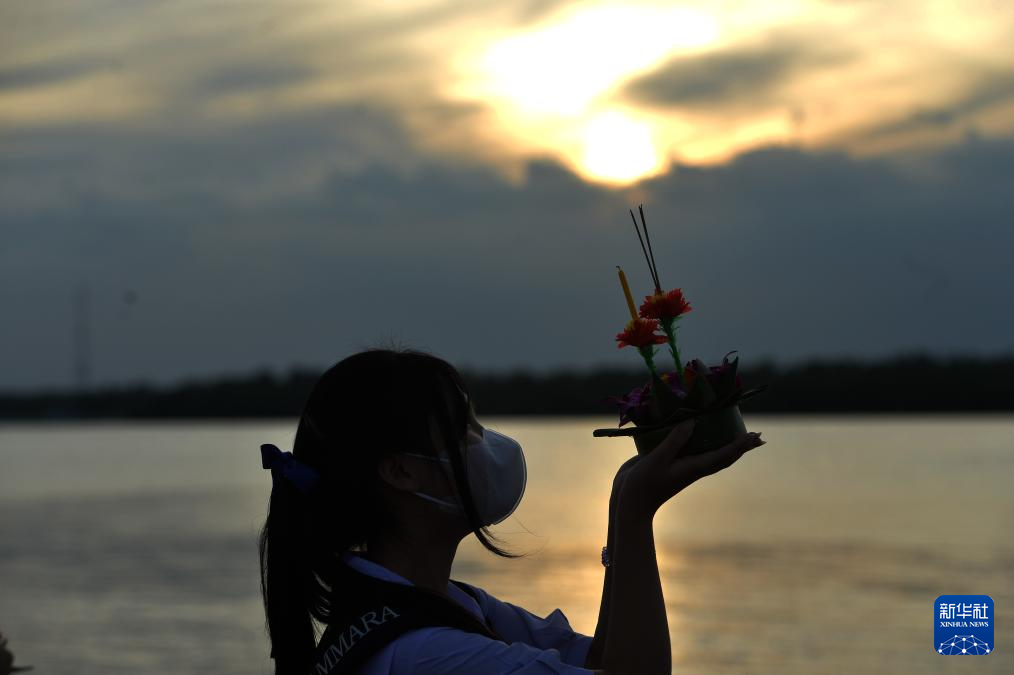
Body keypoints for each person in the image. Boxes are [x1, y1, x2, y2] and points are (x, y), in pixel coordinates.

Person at [258, 348, 765, 675]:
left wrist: (622, 500)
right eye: (464, 429)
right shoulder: (422, 653)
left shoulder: (450, 603)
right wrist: (636, 515)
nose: (484, 443)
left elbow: (599, 659)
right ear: (400, 471)